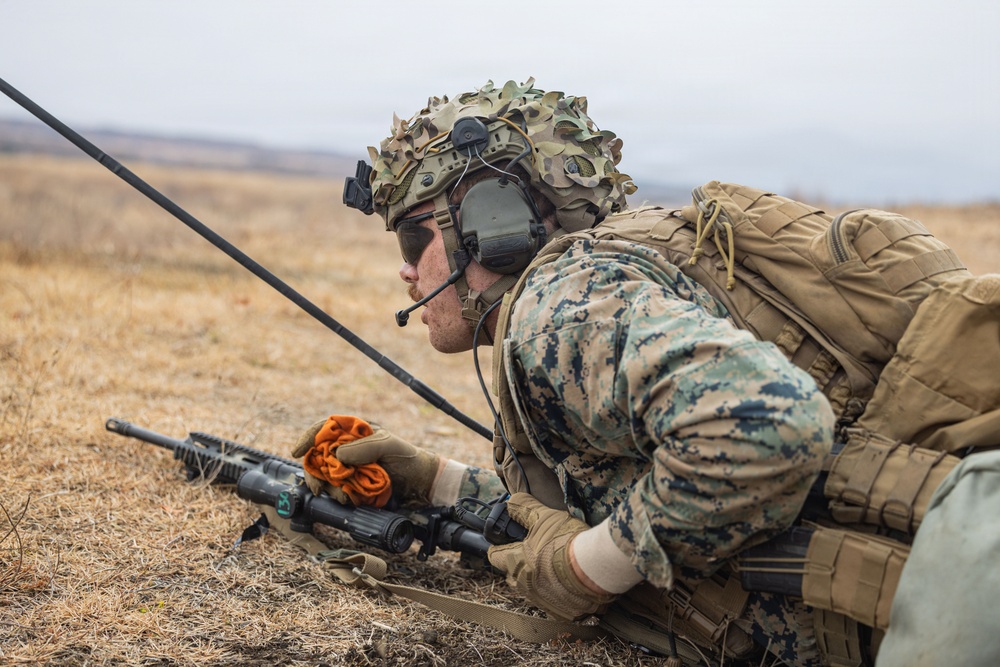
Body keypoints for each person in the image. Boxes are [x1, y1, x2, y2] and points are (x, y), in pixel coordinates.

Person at [294, 79, 836, 666]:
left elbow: (778, 422)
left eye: (410, 238)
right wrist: (435, 482)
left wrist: (587, 569)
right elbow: (619, 493)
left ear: (488, 225)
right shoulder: (602, 276)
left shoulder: (558, 310)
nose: (405, 271)